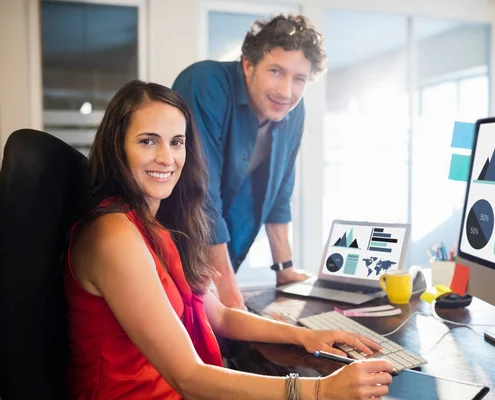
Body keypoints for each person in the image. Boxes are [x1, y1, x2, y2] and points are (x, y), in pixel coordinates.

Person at [64, 80, 393, 399]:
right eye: (148, 141)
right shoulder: (114, 235)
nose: (167, 157)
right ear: (118, 147)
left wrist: (307, 336)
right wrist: (322, 390)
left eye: (177, 142)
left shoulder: (157, 225)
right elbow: (187, 376)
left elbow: (217, 315)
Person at [172, 14, 325, 309]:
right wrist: (231, 296)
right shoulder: (205, 83)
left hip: (217, 259)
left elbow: (280, 189)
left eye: (299, 79)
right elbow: (202, 191)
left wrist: (285, 269)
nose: (286, 91)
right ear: (248, 64)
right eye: (276, 71)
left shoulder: (294, 109)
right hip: (172, 250)